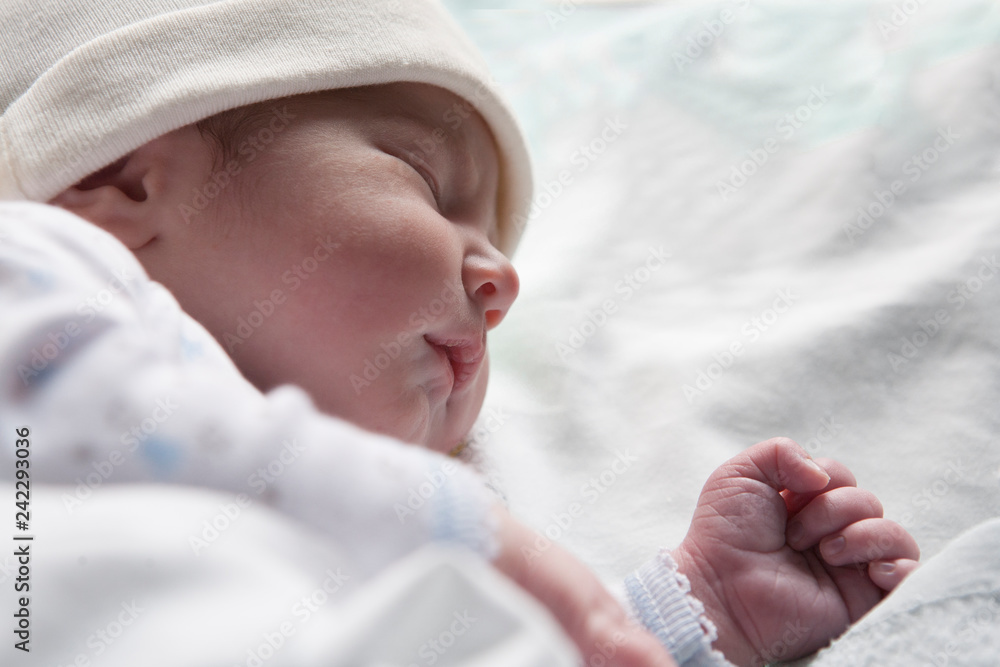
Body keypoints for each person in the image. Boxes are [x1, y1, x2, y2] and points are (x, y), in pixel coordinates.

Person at [0, 1, 918, 665]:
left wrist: (688, 614)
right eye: (429, 184)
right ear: (124, 181)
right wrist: (462, 526)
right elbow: (85, 396)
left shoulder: (351, 557)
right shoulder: (36, 264)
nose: (502, 282)